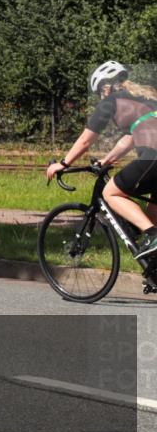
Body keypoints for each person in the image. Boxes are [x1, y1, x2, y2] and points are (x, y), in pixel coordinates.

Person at [46, 61, 157, 278]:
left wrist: (63, 163)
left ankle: (153, 236)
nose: (99, 98)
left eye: (99, 93)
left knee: (111, 192)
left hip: (153, 159)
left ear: (106, 87)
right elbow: (129, 139)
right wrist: (106, 161)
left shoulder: (112, 101)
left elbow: (86, 140)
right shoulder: (146, 99)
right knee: (152, 211)